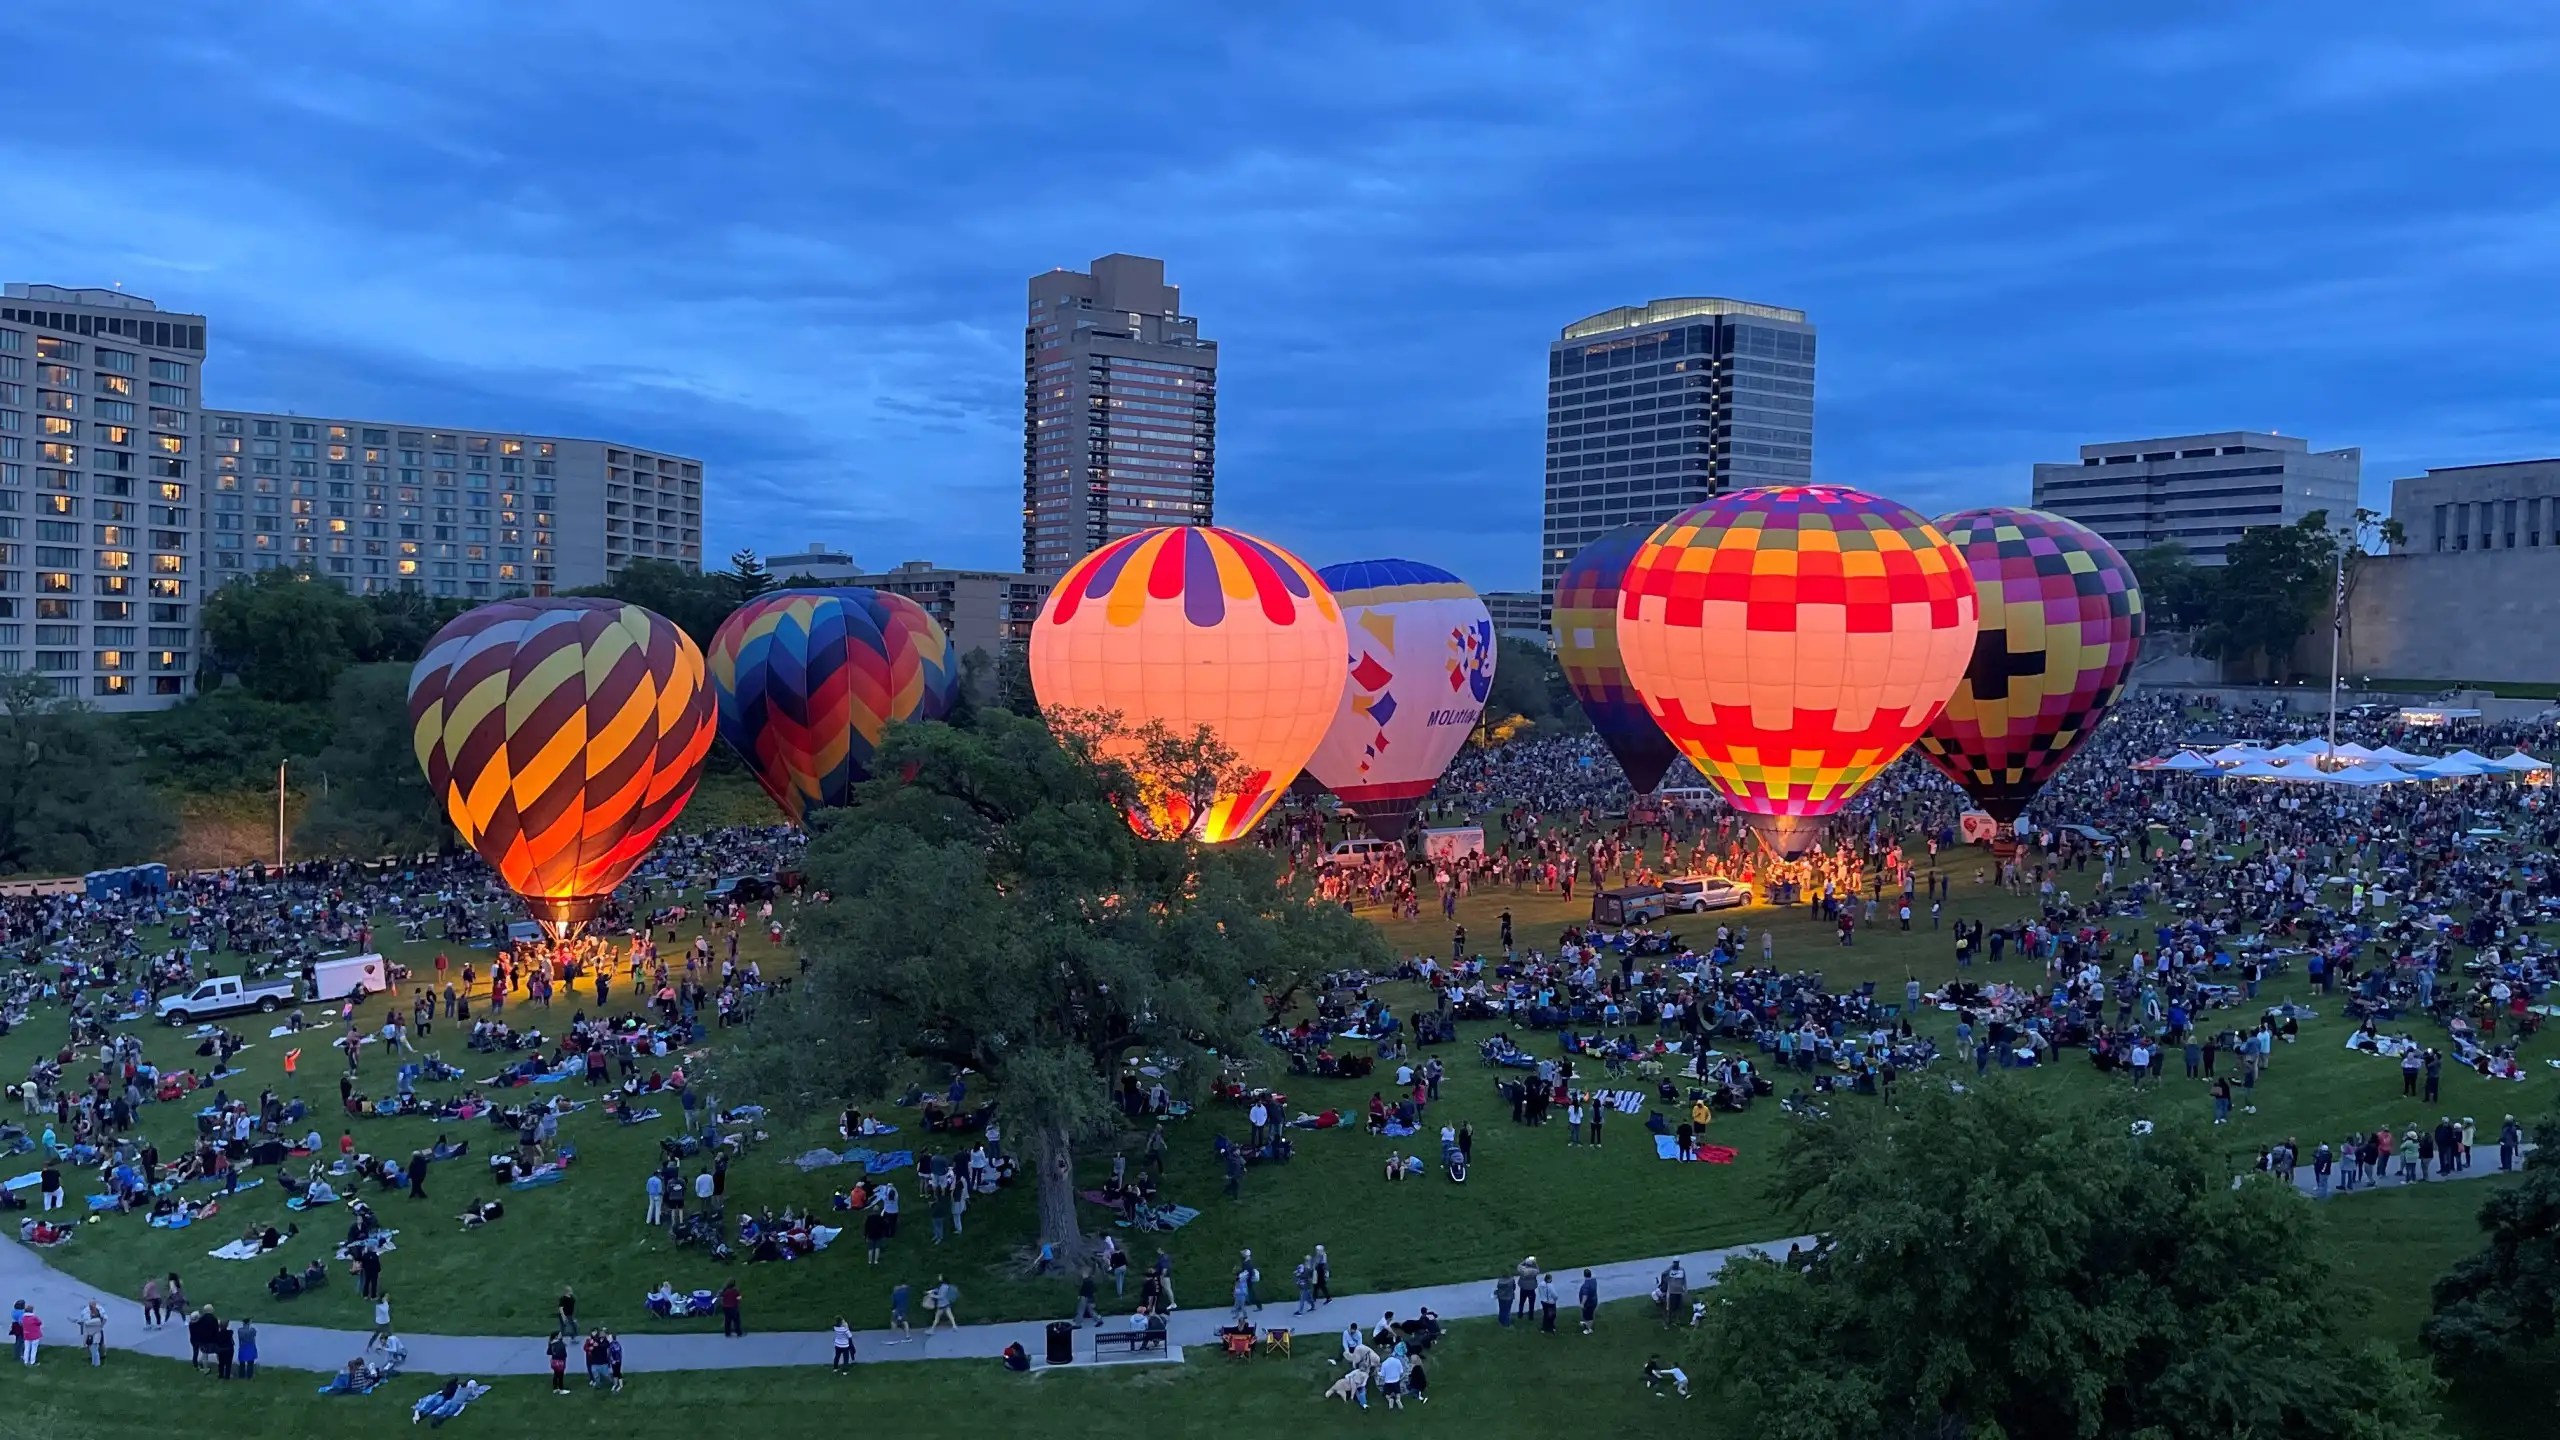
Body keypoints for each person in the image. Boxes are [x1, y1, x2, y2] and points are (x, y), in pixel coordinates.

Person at [77, 1302, 104, 1367]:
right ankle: (93, 1363)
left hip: (97, 1336)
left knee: (95, 1349)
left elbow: (88, 1324)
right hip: (93, 1335)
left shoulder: (97, 1320)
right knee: (93, 1349)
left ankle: (97, 1364)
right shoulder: (93, 1318)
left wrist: (84, 1322)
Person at [1578, 1268, 1599, 1334]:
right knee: (1586, 1314)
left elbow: (1585, 1296)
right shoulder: (1594, 1281)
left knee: (1589, 1316)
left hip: (1589, 1303)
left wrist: (1582, 1303)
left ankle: (1589, 1329)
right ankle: (1586, 1322)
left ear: (1584, 1275)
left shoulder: (1586, 1285)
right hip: (1594, 1301)